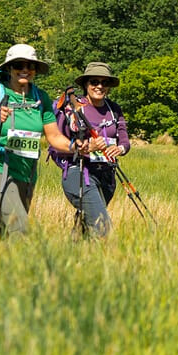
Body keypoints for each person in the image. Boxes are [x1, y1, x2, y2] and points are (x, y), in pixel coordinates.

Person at [0, 43, 72, 237]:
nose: (25, 70)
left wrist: (77, 146)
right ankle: (25, 268)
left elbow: (53, 137)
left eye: (30, 66)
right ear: (9, 68)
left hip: (27, 173)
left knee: (5, 231)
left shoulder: (40, 98)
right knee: (19, 227)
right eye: (19, 65)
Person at [52, 61, 129, 238]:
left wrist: (119, 149)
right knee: (101, 226)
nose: (99, 86)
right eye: (94, 81)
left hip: (107, 176)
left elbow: (124, 140)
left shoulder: (114, 109)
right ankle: (105, 262)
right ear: (86, 84)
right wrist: (87, 147)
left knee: (85, 228)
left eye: (105, 82)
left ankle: (74, 259)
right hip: (79, 173)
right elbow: (59, 139)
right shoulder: (74, 107)